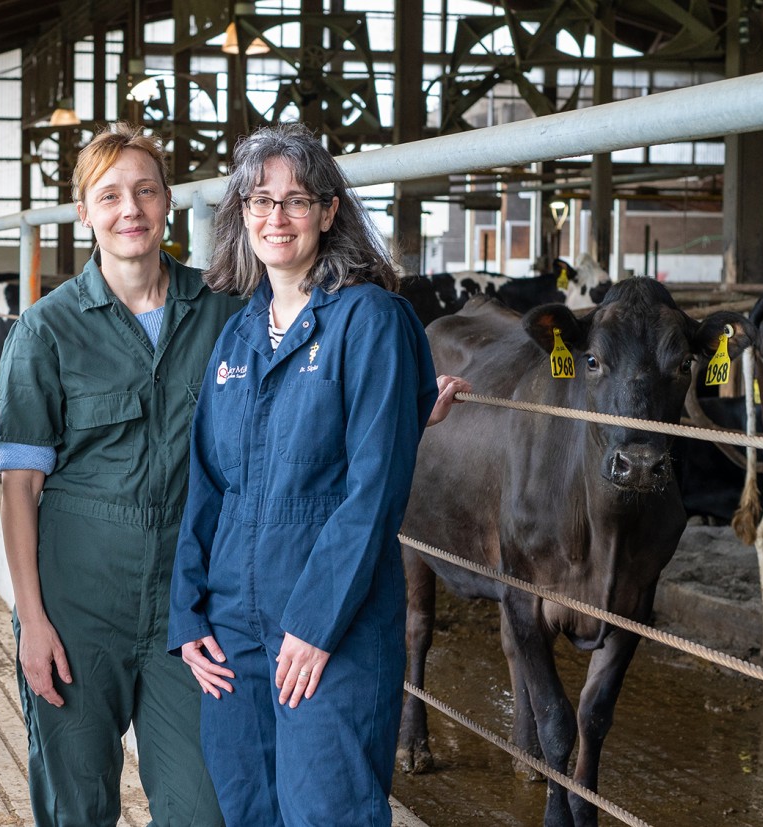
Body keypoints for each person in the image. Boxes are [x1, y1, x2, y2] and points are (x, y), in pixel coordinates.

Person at [167, 121, 450, 826]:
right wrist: (188, 613)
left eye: (296, 201)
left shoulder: (371, 321)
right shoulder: (237, 334)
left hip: (333, 627)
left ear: (328, 212)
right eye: (260, 201)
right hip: (232, 631)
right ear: (241, 216)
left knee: (329, 811)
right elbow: (207, 482)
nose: (276, 217)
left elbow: (375, 490)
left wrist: (317, 623)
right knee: (247, 809)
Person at [0, 123, 238, 826]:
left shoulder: (221, 311)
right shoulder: (45, 330)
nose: (131, 209)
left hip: (189, 609)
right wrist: (31, 619)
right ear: (85, 213)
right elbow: (19, 492)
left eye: (146, 191)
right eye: (110, 195)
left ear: (166, 205)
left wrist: (401, 400)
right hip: (76, 607)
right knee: (77, 806)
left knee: (202, 808)